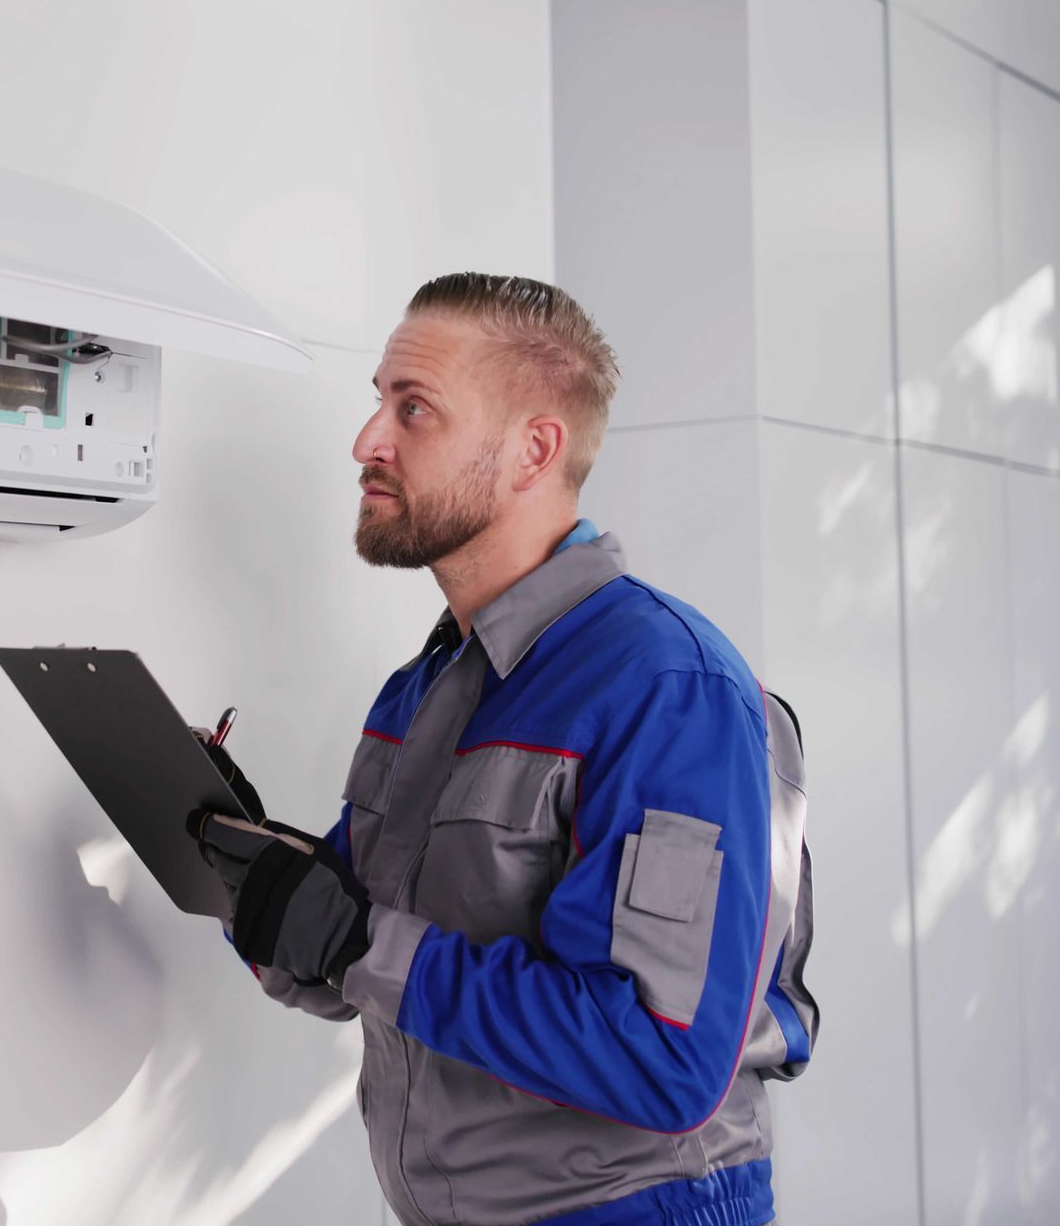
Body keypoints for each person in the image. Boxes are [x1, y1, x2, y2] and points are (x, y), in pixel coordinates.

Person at [187, 273, 816, 1226]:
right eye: (377, 403)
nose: (368, 441)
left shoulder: (664, 689)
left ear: (534, 448)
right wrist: (251, 871)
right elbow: (353, 969)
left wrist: (357, 941)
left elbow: (663, 1057)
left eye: (414, 409)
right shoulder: (425, 688)